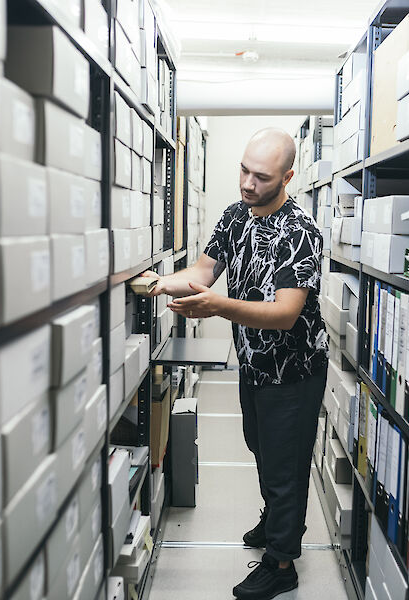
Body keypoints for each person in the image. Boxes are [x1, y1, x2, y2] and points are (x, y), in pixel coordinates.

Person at [141, 127, 328, 600]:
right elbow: (204, 272)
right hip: (254, 364)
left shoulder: (300, 234)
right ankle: (275, 522)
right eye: (243, 170)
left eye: (261, 177)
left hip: (293, 370)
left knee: (285, 465)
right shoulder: (235, 216)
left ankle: (281, 563)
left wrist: (218, 307)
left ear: (287, 176)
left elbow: (285, 314)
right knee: (260, 447)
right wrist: (163, 283)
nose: (247, 184)